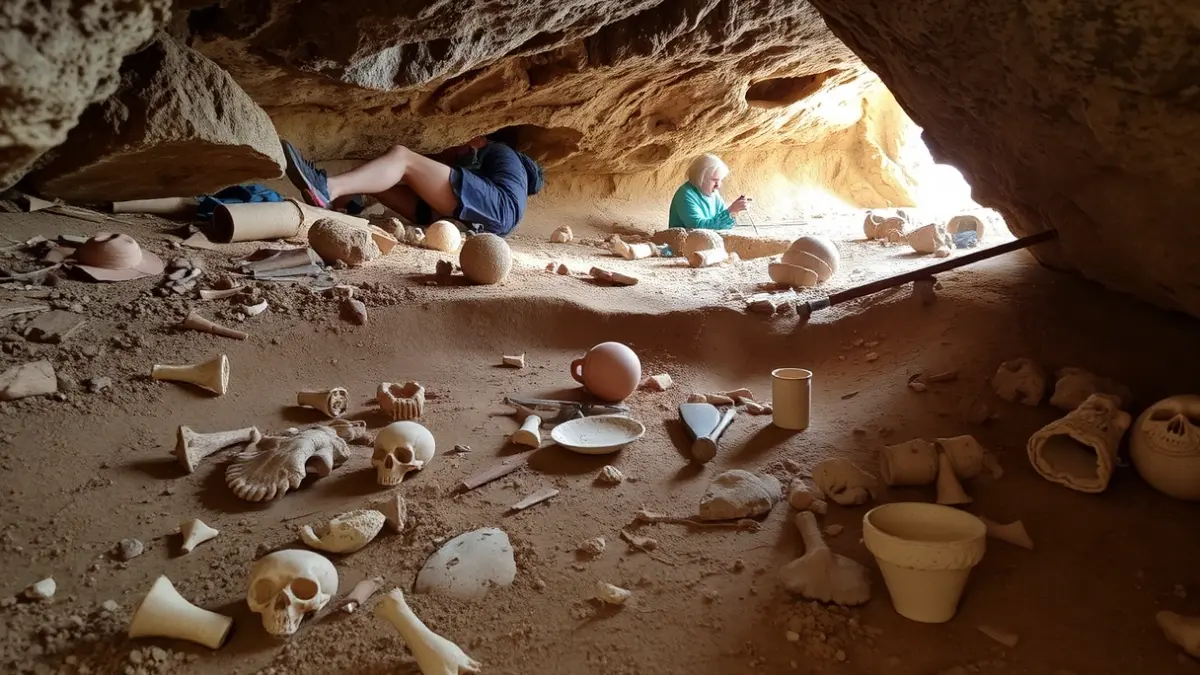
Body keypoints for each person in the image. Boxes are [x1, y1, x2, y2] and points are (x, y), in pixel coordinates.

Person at [279, 131, 545, 237]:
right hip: (475, 219)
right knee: (382, 180)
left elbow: (450, 172)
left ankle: (327, 188)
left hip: (496, 208)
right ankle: (345, 207)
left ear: (478, 139)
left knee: (402, 158)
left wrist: (430, 159)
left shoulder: (498, 151)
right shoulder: (503, 168)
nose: (455, 149)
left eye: (462, 143)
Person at [667, 153, 750, 230]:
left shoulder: (714, 195)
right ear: (700, 178)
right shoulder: (685, 194)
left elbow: (723, 225)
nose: (718, 185)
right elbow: (698, 228)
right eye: (714, 180)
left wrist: (734, 211)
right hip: (685, 244)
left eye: (720, 180)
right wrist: (731, 210)